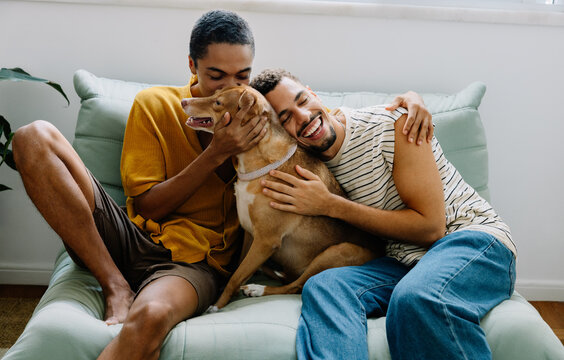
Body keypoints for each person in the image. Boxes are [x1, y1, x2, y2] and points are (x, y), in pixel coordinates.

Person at [12, 9, 430, 359]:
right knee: (32, 137)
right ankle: (113, 283)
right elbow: (149, 205)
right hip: (131, 235)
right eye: (216, 76)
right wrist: (216, 152)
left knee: (152, 317)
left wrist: (411, 98)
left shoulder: (261, 116)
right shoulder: (155, 105)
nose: (231, 88)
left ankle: (132, 299)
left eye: (242, 76)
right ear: (192, 65)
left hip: (194, 263)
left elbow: (319, 116)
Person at [250, 69, 517, 360]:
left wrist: (330, 205)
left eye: (302, 100)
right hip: (403, 263)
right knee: (324, 286)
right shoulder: (305, 163)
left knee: (415, 298)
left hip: (473, 241)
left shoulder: (393, 125)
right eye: (286, 117)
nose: (302, 117)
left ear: (314, 94)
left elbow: (431, 228)